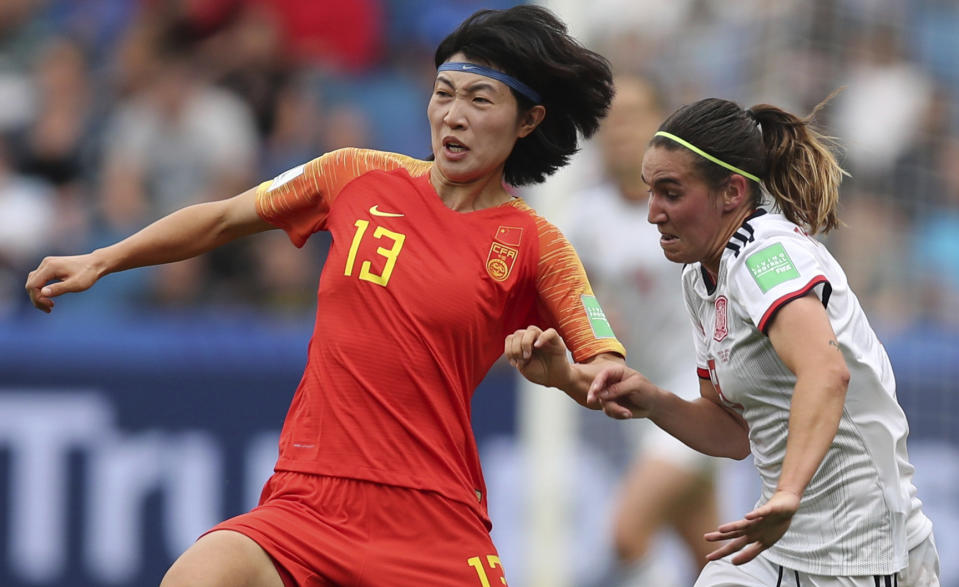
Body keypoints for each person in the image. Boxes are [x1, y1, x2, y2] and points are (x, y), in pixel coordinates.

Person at [25, 6, 625, 587]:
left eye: (479, 99)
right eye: (444, 93)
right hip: (308, 501)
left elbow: (611, 378)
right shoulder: (353, 174)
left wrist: (565, 378)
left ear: (528, 121)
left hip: (431, 519)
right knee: (199, 575)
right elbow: (221, 219)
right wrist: (102, 259)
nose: (453, 116)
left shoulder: (537, 243)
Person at [506, 96, 941, 586]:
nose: (653, 213)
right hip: (782, 542)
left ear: (732, 192)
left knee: (631, 532)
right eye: (651, 192)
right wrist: (650, 399)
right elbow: (733, 434)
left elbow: (827, 372)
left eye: (670, 193)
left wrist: (787, 494)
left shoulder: (766, 253)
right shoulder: (700, 276)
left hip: (864, 552)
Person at [561, 73, 719, 586]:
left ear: (661, 130)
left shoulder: (695, 207)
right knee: (714, 560)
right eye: (610, 120)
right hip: (644, 400)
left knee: (628, 535)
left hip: (703, 395)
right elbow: (567, 302)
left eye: (632, 117)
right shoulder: (585, 219)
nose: (619, 130)